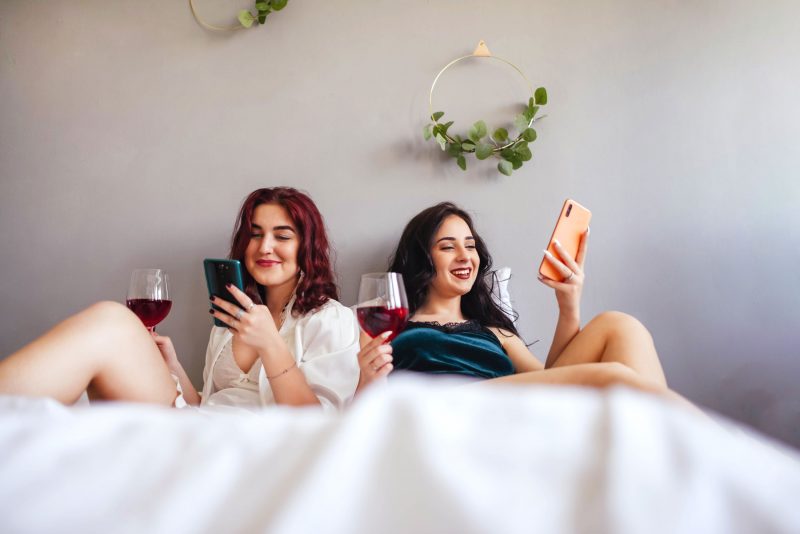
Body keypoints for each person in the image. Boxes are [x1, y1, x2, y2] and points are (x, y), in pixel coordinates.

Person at [0, 187, 360, 411]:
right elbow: (205, 404)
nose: (265, 247)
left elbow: (318, 426)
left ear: (306, 247)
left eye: (282, 236)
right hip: (201, 425)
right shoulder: (231, 317)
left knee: (112, 321)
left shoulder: (332, 319)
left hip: (246, 445)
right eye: (255, 234)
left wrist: (271, 345)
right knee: (111, 322)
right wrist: (173, 367)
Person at [355, 202, 678, 400]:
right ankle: (697, 441)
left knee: (620, 325)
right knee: (612, 376)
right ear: (422, 259)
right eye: (448, 247)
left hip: (505, 408)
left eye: (470, 245)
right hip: (443, 407)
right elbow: (366, 409)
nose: (466, 256)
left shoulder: (495, 331)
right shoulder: (388, 325)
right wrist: (367, 380)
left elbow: (555, 378)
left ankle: (666, 460)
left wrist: (568, 303)